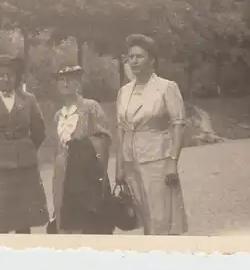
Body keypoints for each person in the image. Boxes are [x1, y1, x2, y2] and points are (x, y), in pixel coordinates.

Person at [115, 34, 188, 235]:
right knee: (145, 217)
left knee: (161, 218)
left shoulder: (166, 87)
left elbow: (178, 124)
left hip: (157, 160)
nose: (134, 61)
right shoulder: (124, 91)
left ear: (152, 60)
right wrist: (119, 166)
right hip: (131, 162)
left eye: (140, 56)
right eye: (131, 57)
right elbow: (121, 128)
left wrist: (173, 161)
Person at [0, 54, 49, 234]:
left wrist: (25, 149)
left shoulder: (28, 99)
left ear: (16, 77)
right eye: (1, 75)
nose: (6, 79)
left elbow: (39, 131)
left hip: (24, 168)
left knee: (23, 223)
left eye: (10, 75)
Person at [51, 65, 113, 234]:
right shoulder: (58, 115)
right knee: (67, 225)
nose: (65, 83)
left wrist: (81, 147)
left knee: (89, 225)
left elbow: (104, 137)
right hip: (63, 175)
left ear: (78, 82)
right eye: (61, 80)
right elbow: (56, 148)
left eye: (70, 79)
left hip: (87, 174)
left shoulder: (90, 107)